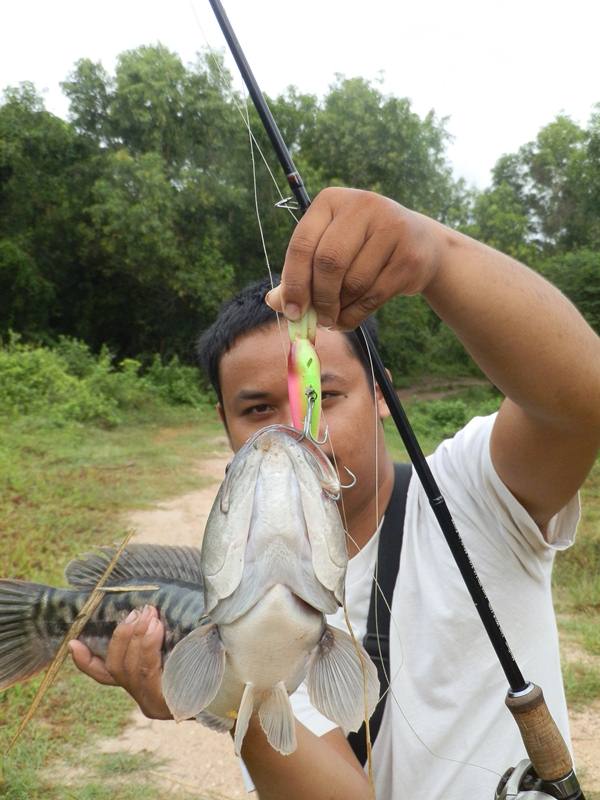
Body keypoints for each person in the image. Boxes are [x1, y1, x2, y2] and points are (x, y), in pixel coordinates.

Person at [69, 188, 600, 799]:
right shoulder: (238, 592)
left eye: (325, 395)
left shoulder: (473, 495)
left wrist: (437, 256)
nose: (297, 429)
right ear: (224, 424)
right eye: (258, 410)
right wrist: (229, 695)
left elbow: (578, 405)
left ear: (381, 393)